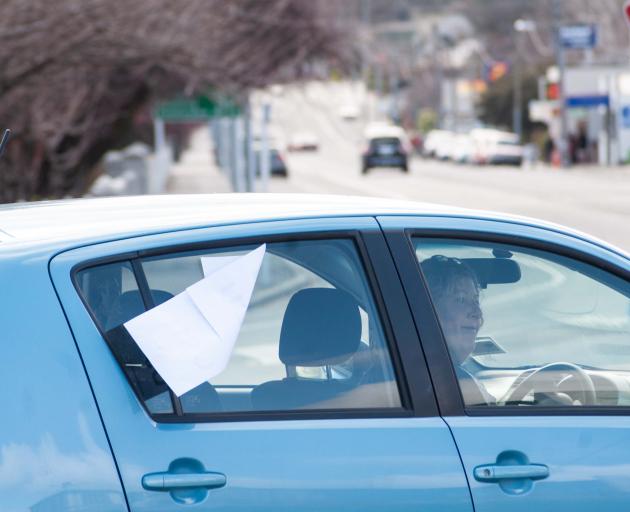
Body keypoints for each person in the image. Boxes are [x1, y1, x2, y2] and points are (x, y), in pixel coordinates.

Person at [421, 255, 495, 405]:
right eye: (461, 299)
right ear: (430, 310)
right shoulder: (452, 382)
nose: (477, 312)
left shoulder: (408, 372)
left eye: (476, 301)